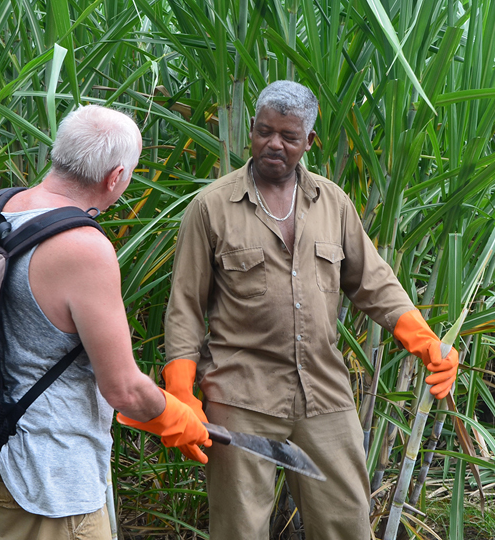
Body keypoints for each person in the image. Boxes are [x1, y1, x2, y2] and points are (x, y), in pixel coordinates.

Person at [162, 81, 459, 540]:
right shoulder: (212, 207)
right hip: (240, 396)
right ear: (252, 131)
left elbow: (373, 281)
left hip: (324, 393)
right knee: (239, 528)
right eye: (264, 131)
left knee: (346, 523)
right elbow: (184, 306)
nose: (273, 144)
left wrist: (426, 342)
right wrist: (180, 392)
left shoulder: (333, 203)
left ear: (310, 142)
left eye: (288, 135)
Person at [0, 104, 210, 540]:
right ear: (114, 178)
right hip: (46, 482)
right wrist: (175, 416)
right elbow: (123, 389)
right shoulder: (83, 248)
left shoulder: (0, 210)